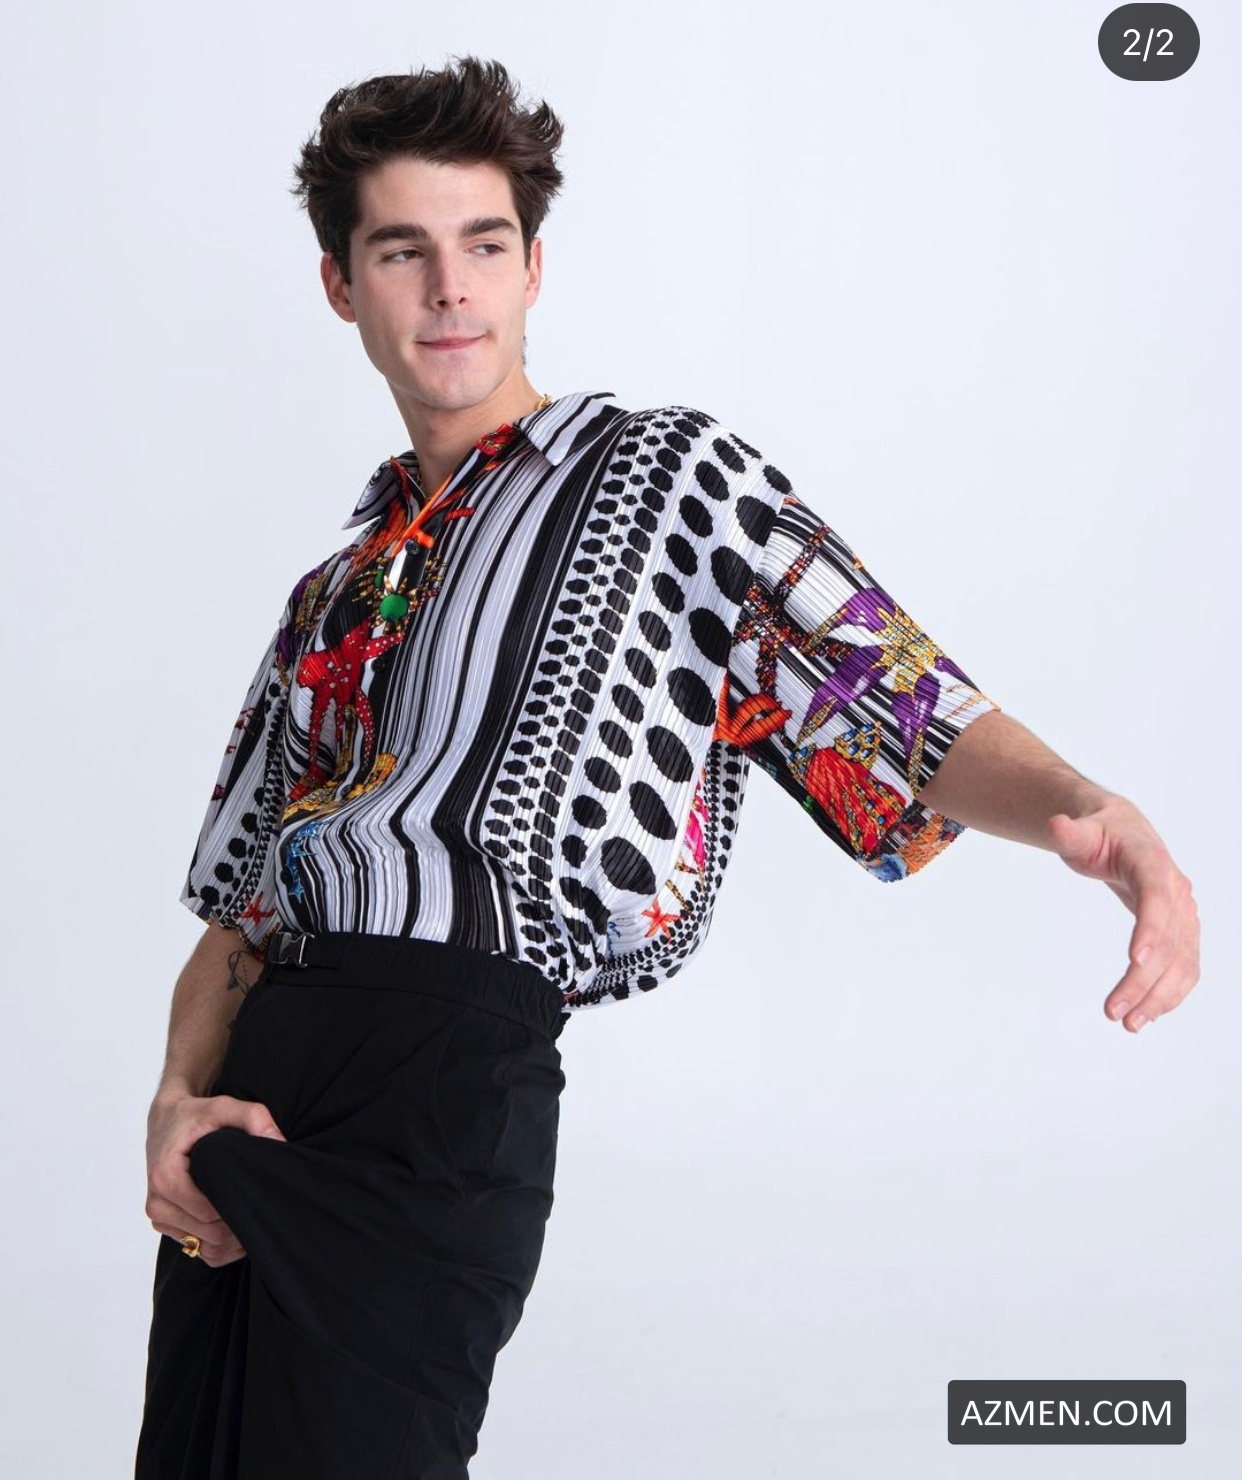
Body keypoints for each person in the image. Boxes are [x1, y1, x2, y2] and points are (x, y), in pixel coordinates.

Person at [134, 55, 1200, 1480]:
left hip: (444, 1078)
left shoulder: (664, 478)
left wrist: (1091, 810)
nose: (449, 288)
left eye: (484, 245)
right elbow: (240, 909)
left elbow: (887, 687)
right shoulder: (333, 592)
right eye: (401, 251)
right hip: (261, 1089)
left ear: (531, 269)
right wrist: (173, 1103)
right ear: (342, 284)